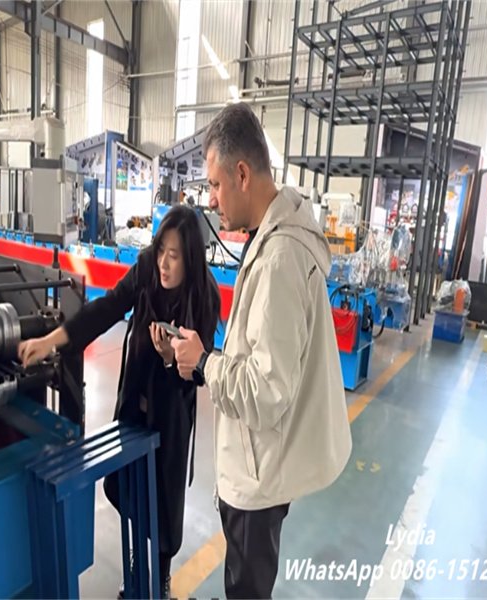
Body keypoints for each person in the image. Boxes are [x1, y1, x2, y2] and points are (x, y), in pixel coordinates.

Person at [171, 102, 352, 599]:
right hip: (257, 462)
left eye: (215, 184)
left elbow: (267, 392)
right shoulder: (271, 238)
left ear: (242, 174)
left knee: (247, 589)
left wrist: (204, 363)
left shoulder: (279, 259)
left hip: (257, 475)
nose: (211, 198)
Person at [17, 205, 221, 598]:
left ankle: (160, 578)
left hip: (171, 415)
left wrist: (171, 358)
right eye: (161, 251)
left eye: (174, 256)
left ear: (191, 259)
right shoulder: (147, 269)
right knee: (128, 488)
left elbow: (200, 372)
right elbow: (107, 307)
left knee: (164, 505)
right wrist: (51, 341)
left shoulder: (204, 296)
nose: (163, 264)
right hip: (134, 404)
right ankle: (134, 566)